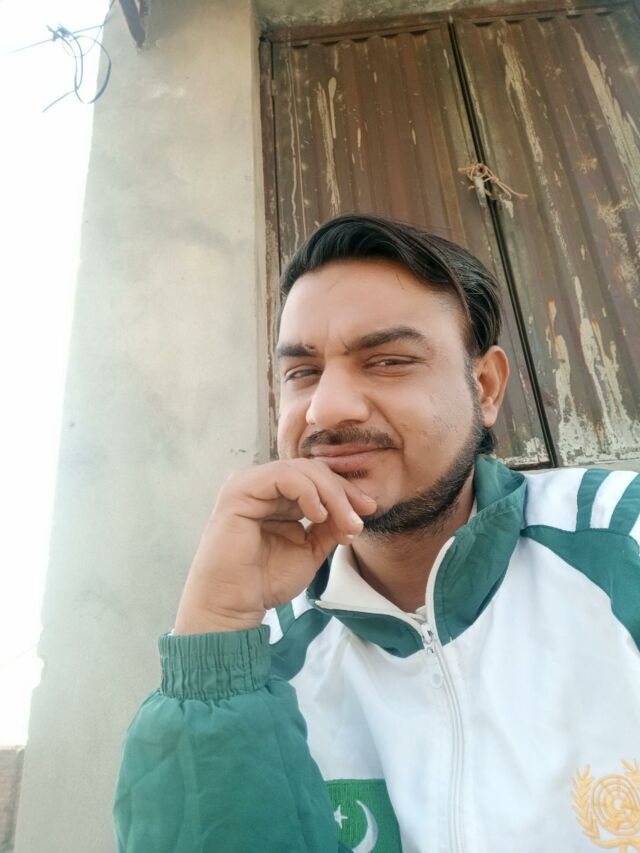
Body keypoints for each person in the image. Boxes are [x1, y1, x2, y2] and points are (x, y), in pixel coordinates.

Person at [113, 214, 640, 853]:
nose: (327, 408)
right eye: (302, 372)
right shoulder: (258, 654)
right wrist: (214, 637)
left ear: (485, 388)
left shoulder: (619, 539)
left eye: (388, 361)